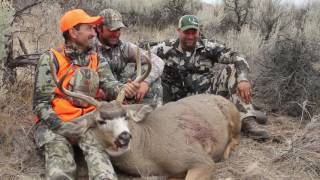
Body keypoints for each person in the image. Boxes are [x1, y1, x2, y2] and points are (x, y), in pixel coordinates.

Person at [33, 9, 139, 179]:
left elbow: (111, 86)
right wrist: (62, 127)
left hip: (88, 122)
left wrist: (125, 91)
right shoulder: (51, 59)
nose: (93, 33)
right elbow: (40, 104)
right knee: (59, 166)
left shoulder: (96, 59)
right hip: (56, 124)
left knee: (102, 166)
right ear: (73, 33)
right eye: (89, 28)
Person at [152, 15, 269, 141]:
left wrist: (243, 79)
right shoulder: (164, 48)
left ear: (199, 32)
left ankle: (247, 119)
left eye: (194, 32)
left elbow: (237, 57)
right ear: (178, 31)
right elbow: (143, 58)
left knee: (232, 68)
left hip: (206, 97)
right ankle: (242, 112)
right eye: (186, 32)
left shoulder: (209, 46)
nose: (191, 36)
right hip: (174, 100)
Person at [95, 8, 164, 106]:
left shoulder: (124, 47)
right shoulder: (90, 48)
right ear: (99, 28)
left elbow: (158, 61)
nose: (116, 34)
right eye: (112, 30)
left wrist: (145, 82)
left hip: (122, 92)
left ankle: (150, 115)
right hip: (101, 96)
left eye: (118, 29)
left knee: (151, 75)